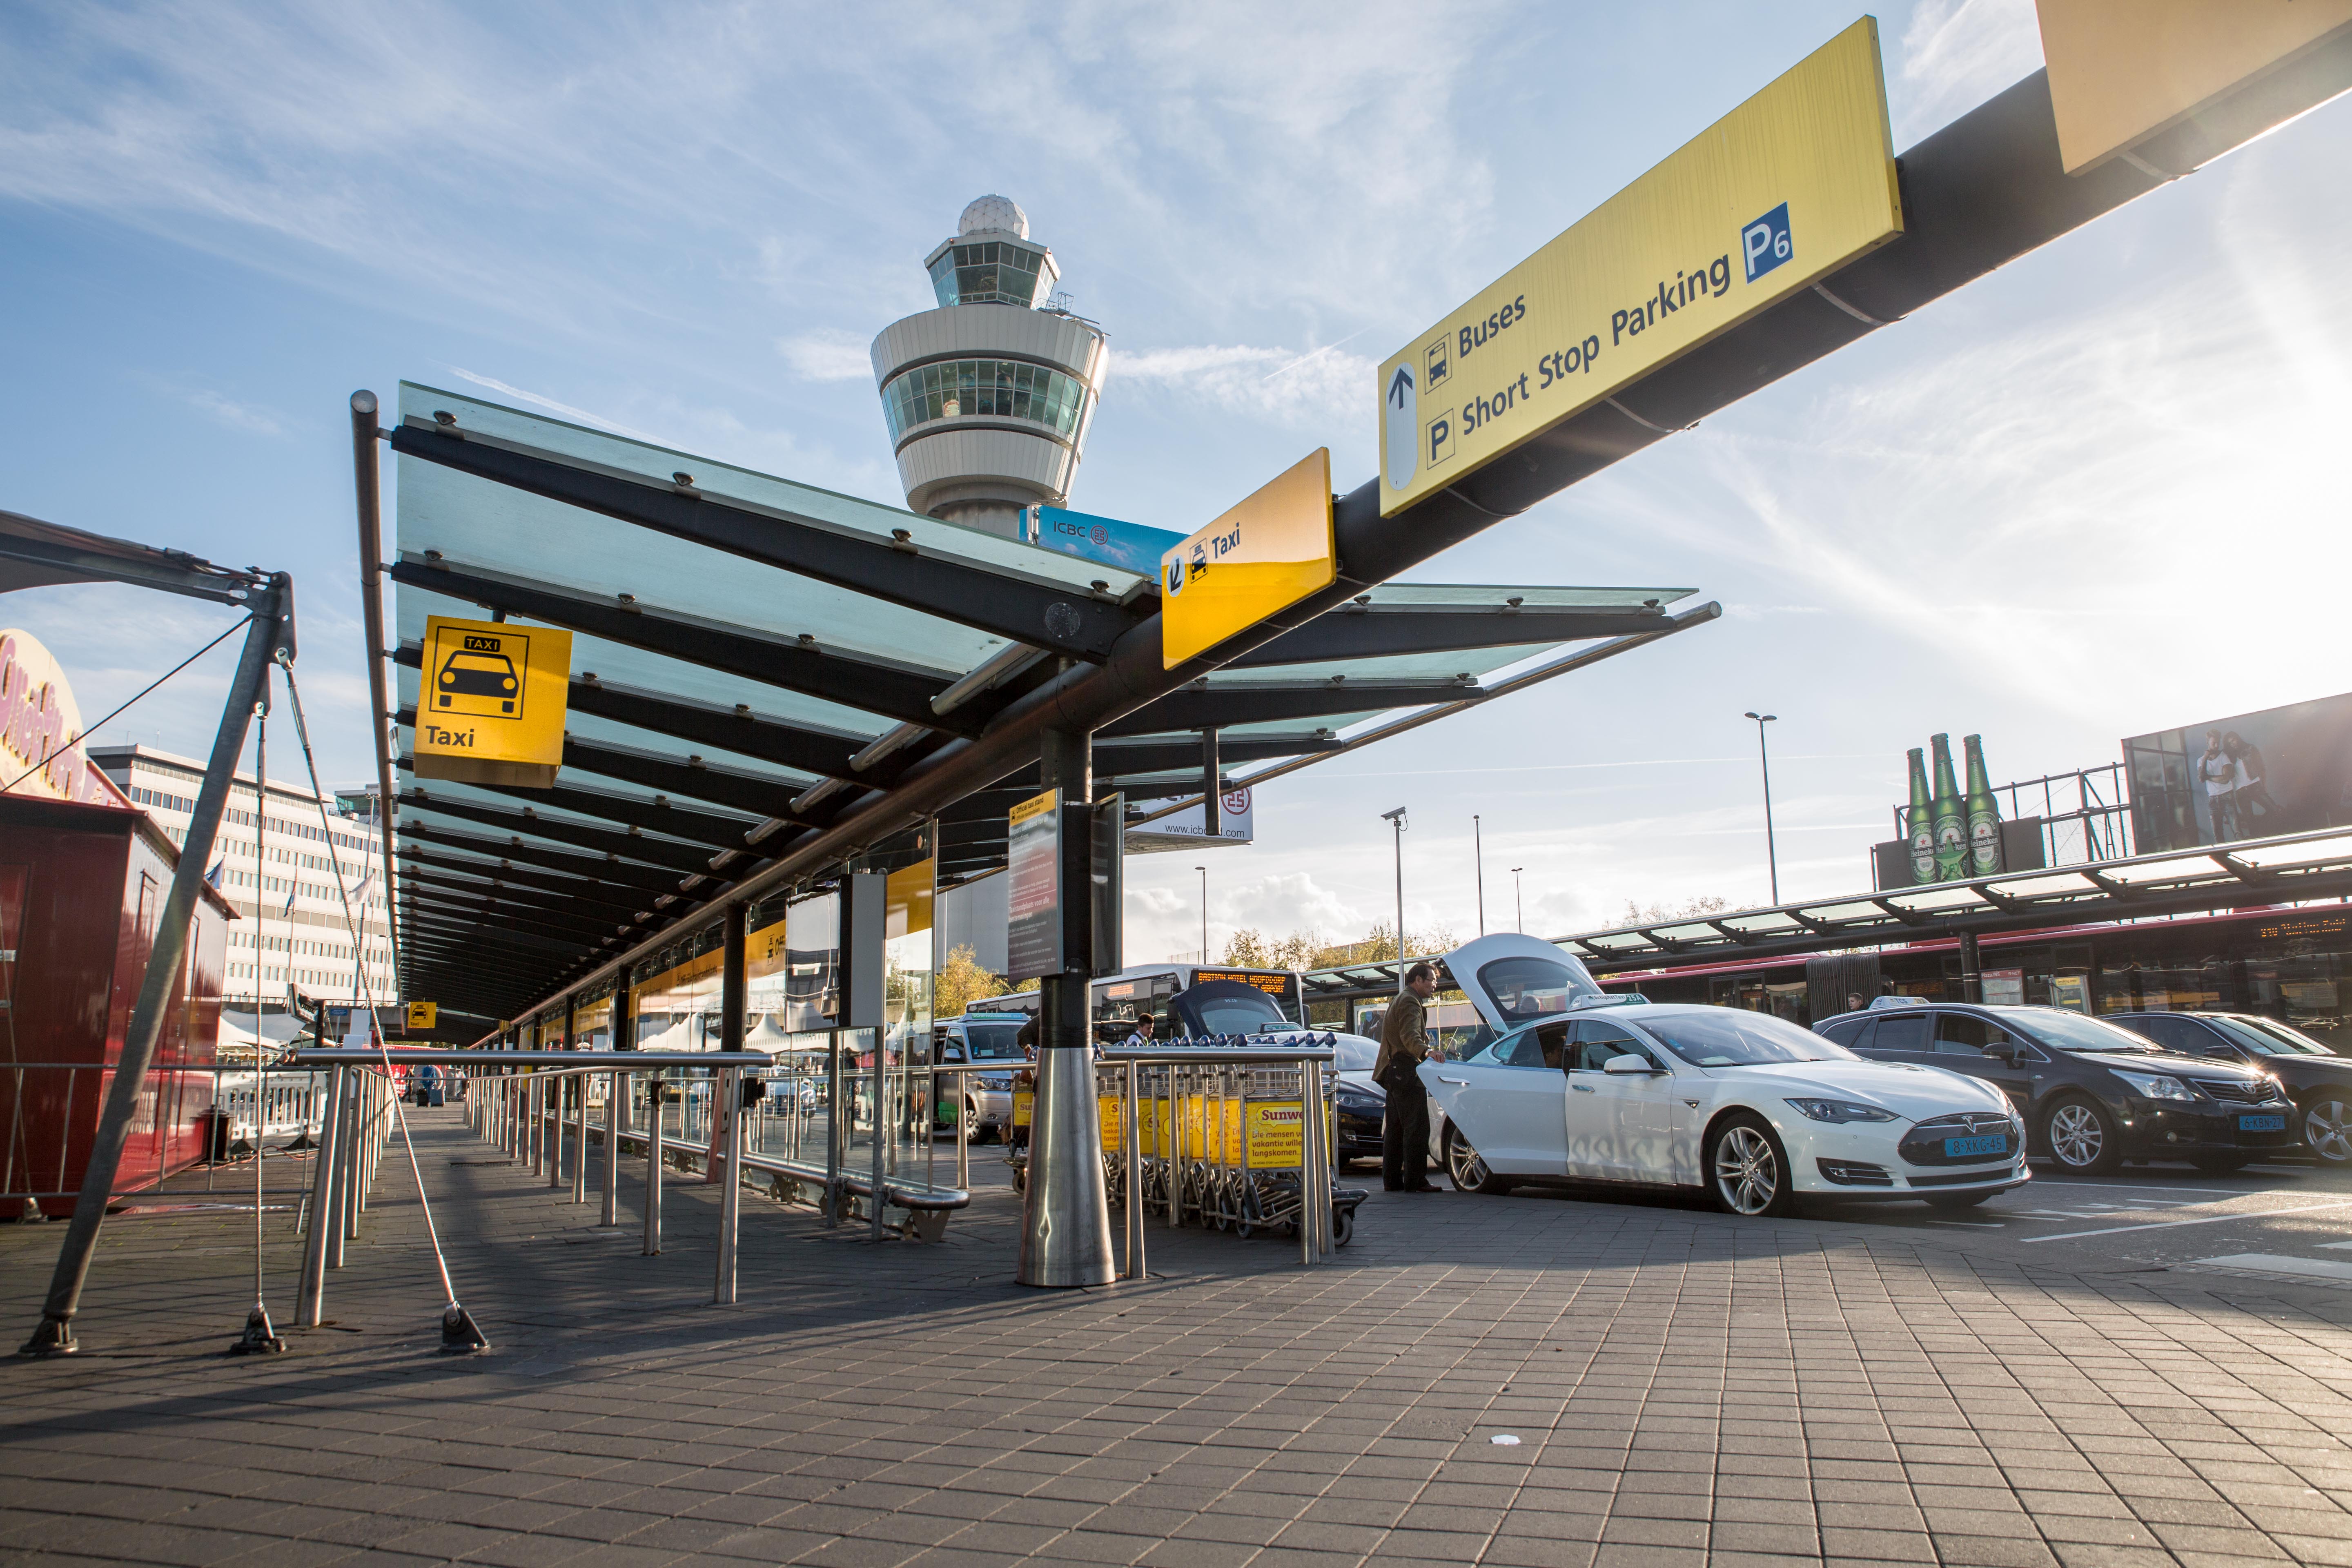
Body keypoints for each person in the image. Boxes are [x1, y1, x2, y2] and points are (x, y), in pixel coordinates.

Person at [1376, 962, 1443, 1193]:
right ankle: (1416, 1181)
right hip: (1406, 1071)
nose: (1435, 985)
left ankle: (1392, 1182)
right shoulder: (1410, 1001)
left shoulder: (1400, 998)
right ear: (1418, 980)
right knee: (1417, 1128)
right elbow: (1410, 1035)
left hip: (1395, 1072)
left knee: (1395, 1131)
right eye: (1432, 980)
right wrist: (1427, 1052)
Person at [2225, 731, 2281, 830]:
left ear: (2238, 738)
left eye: (2233, 740)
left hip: (2255, 787)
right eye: (2230, 743)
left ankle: (2261, 824)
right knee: (2251, 823)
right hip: (2240, 792)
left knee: (2275, 810)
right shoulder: (2228, 756)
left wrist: (2264, 786)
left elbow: (2262, 768)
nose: (2233, 744)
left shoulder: (2251, 748)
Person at [2198, 728, 2238, 843]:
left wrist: (2208, 777)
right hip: (2213, 801)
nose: (2217, 746)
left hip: (2227, 797)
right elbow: (2201, 779)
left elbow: (2225, 779)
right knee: (2218, 837)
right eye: (2214, 743)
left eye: (2218, 743)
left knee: (2237, 832)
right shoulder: (2201, 760)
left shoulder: (2224, 757)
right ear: (2207, 742)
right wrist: (2205, 758)